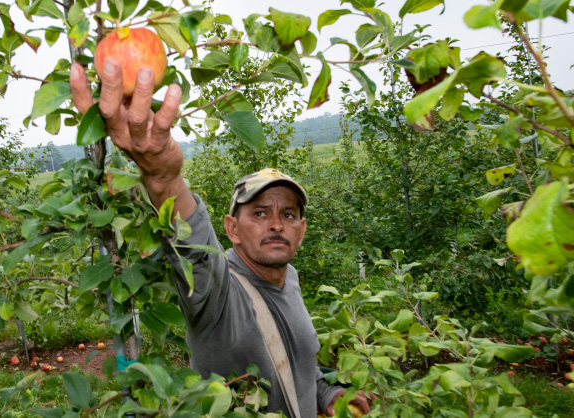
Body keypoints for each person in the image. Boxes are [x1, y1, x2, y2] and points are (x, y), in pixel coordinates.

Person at [70, 59, 372, 416]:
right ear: (232, 229)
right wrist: (163, 177)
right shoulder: (217, 291)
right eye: (259, 213)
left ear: (302, 230)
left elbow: (296, 369)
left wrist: (328, 396)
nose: (276, 224)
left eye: (288, 214)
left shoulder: (288, 278)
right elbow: (194, 244)